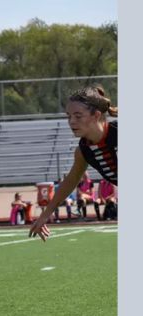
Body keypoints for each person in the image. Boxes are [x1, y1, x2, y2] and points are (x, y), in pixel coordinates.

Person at [30, 85, 117, 241]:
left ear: (96, 115)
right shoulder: (83, 151)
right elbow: (70, 182)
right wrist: (45, 215)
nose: (71, 122)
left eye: (78, 116)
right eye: (68, 116)